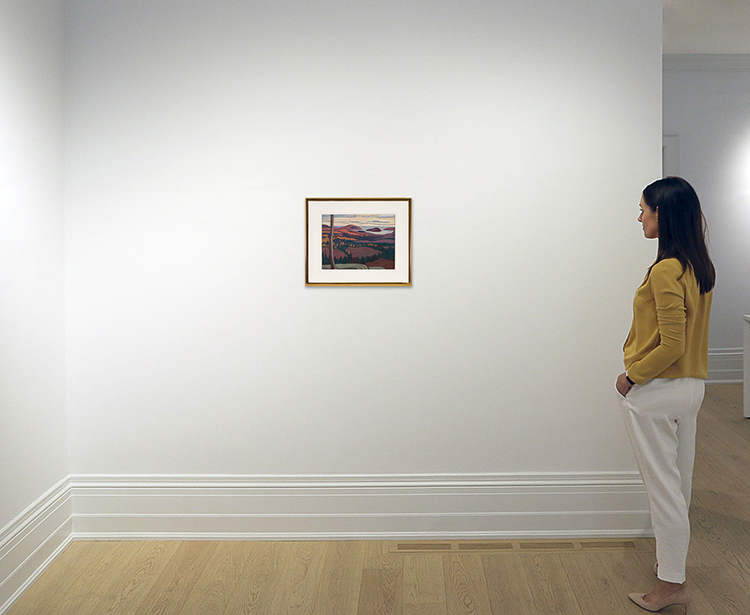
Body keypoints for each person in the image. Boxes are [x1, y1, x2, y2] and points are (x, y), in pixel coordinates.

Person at [616, 176, 715, 614]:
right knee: (680, 486)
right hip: (691, 389)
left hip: (658, 391)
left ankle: (670, 585)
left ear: (663, 214)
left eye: (643, 209)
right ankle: (672, 574)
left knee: (664, 492)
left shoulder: (664, 269)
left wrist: (632, 377)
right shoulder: (698, 266)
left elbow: (671, 343)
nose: (639, 216)